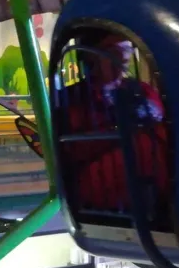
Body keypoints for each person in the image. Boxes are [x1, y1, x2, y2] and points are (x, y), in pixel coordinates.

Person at [61, 33, 168, 219]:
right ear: (91, 56)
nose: (123, 57)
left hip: (155, 193)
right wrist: (120, 130)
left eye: (127, 50)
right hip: (104, 197)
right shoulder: (72, 99)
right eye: (113, 51)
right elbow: (68, 150)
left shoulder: (142, 91)